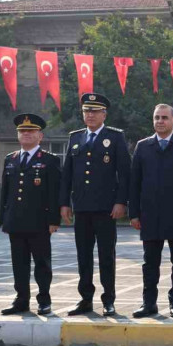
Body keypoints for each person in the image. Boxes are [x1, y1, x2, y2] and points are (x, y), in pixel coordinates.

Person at [60, 93, 131, 317]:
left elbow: (125, 174)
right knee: (83, 255)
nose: (90, 115)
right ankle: (85, 299)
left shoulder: (115, 137)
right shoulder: (76, 138)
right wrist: (64, 203)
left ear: (104, 114)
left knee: (106, 256)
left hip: (106, 207)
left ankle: (108, 300)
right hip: (81, 207)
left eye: (94, 111)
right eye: (86, 111)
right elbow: (67, 174)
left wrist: (121, 201)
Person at [129, 104, 173, 318]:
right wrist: (134, 213)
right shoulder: (143, 146)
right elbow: (135, 183)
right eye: (157, 117)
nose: (160, 121)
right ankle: (149, 303)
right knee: (150, 263)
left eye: (165, 117)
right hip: (150, 215)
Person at [0, 114, 60, 316]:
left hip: (39, 222)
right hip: (15, 221)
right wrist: (4, 219)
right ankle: (21, 300)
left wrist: (53, 220)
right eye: (22, 131)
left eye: (30, 131)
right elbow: (6, 193)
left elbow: (54, 193)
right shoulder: (11, 159)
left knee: (42, 264)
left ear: (40, 136)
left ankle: (44, 300)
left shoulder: (49, 160)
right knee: (19, 264)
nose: (26, 134)